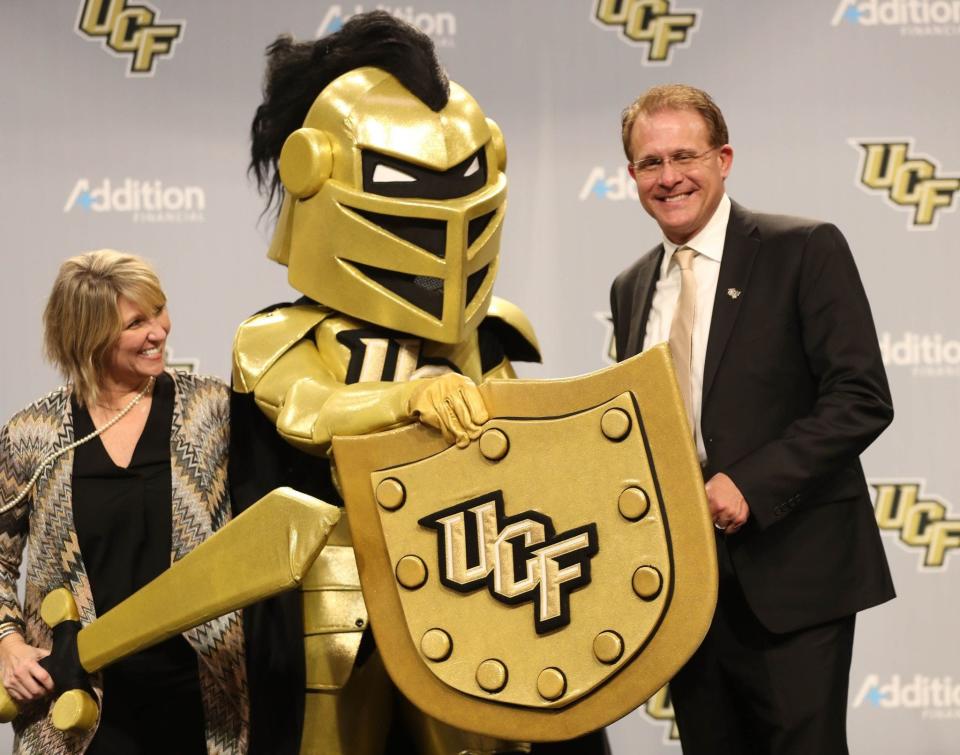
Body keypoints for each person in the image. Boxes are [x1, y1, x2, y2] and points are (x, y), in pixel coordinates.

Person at [609, 85, 895, 754]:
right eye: (650, 163)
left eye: (685, 155)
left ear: (724, 158)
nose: (669, 176)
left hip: (794, 576)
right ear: (631, 177)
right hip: (685, 590)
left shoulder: (803, 249)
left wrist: (750, 483)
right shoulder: (630, 288)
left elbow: (860, 395)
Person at [0, 250, 247, 754]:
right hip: (76, 706)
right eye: (137, 322)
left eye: (159, 310)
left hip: (200, 701)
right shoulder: (33, 435)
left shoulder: (212, 413)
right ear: (88, 336)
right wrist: (8, 644)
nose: (159, 331)